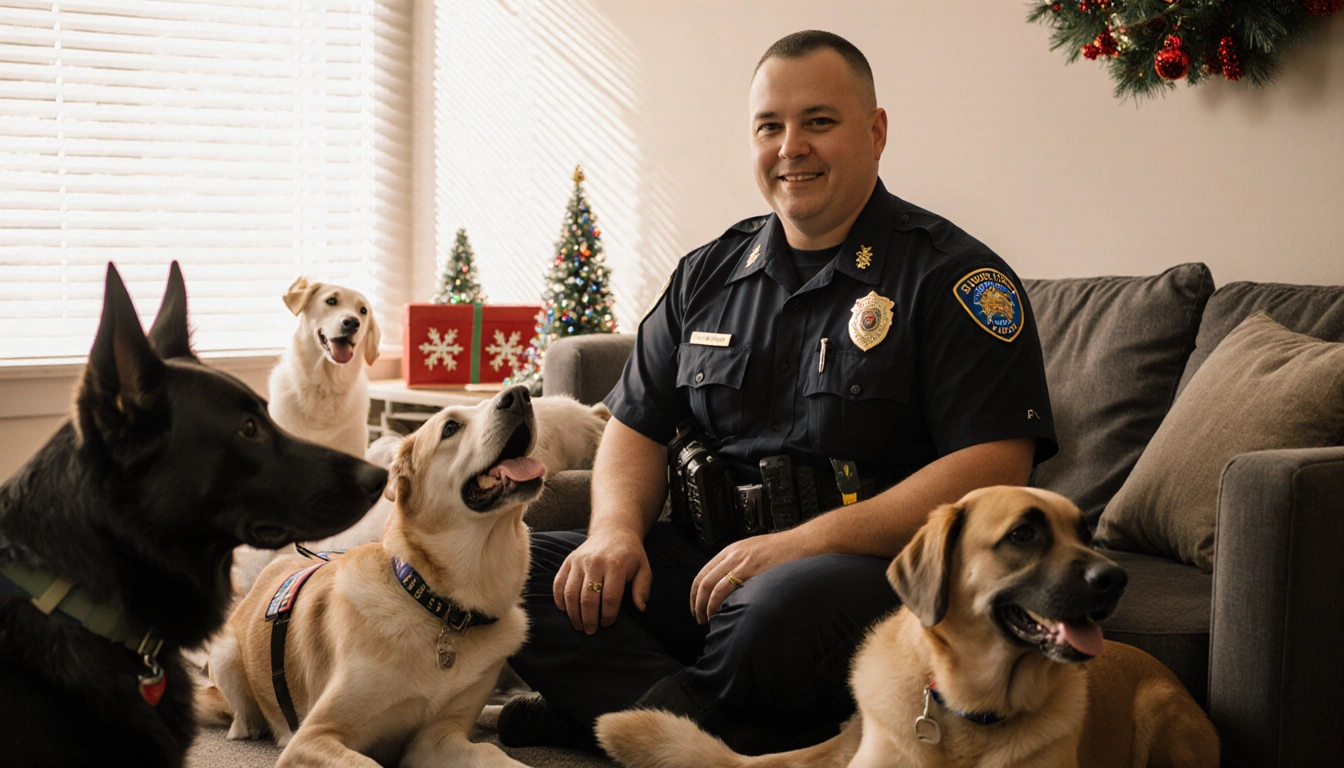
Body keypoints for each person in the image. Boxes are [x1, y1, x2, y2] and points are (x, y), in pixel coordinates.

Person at [497, 29, 1057, 755]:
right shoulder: (708, 275)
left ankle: (617, 719)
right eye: (770, 126)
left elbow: (993, 469)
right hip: (708, 561)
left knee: (773, 612)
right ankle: (720, 739)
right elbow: (635, 425)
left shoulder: (952, 279)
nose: (791, 147)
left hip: (860, 572)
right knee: (514, 569)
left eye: (818, 122)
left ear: (876, 132)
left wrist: (801, 542)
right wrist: (614, 532)